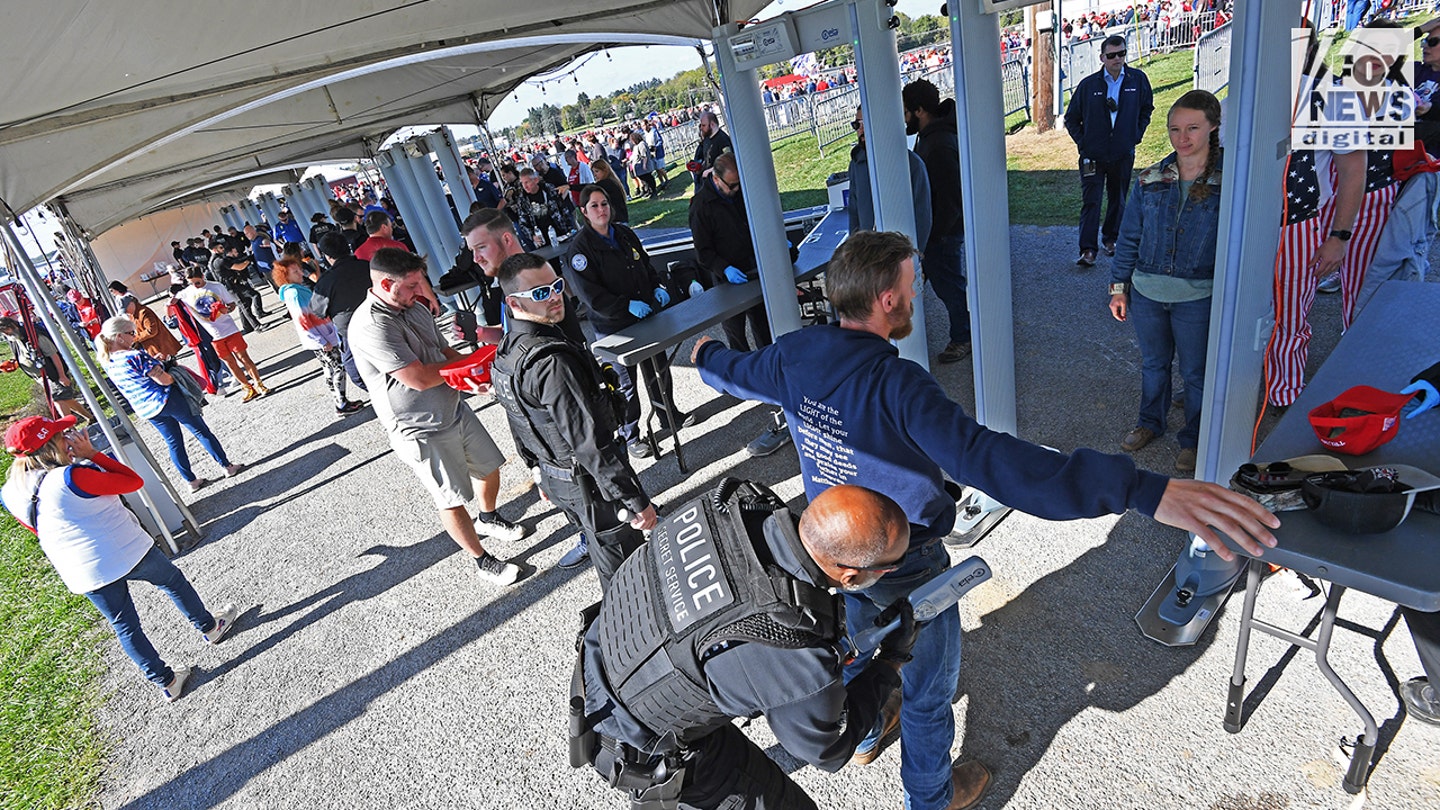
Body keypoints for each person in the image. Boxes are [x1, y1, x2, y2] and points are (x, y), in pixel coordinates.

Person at [691, 230, 1281, 810]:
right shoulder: (898, 385)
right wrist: (1141, 489)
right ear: (887, 300)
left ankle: (867, 733)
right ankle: (930, 797)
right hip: (908, 561)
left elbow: (736, 372)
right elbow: (994, 462)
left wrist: (704, 355)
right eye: (911, 284)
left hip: (831, 554)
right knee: (927, 693)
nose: (917, 295)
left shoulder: (795, 355)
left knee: (851, 648)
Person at [577, 481, 918, 809]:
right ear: (851, 577)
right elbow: (828, 750)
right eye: (890, 567)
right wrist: (891, 661)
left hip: (606, 660)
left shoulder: (735, 503)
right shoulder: (791, 642)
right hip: (641, 744)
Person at [0, 415, 239, 702]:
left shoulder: (9, 491)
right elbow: (132, 482)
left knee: (124, 624)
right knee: (173, 581)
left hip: (81, 570)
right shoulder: (70, 477)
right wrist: (92, 454)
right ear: (50, 445)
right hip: (124, 548)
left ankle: (166, 681)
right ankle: (210, 627)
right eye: (62, 435)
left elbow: (35, 528)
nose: (69, 438)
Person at [346, 248, 527, 587]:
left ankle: (487, 518)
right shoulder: (371, 325)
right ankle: (481, 559)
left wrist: (476, 374)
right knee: (451, 498)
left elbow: (443, 352)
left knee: (489, 466)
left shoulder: (413, 307)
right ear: (386, 283)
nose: (421, 292)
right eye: (413, 285)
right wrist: (468, 367)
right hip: (419, 427)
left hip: (453, 407)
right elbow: (418, 378)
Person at [491, 253, 655, 587]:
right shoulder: (551, 363)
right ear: (513, 303)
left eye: (556, 286)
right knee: (627, 572)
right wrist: (636, 501)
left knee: (605, 554)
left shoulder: (508, 351)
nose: (553, 297)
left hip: (558, 478)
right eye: (539, 293)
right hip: (589, 485)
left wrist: (538, 473)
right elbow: (590, 442)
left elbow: (519, 419)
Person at [1108, 90, 1223, 474]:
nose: (1182, 137)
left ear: (1213, 127)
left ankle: (1194, 438)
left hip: (1199, 295)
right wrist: (1118, 287)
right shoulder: (1150, 179)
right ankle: (1150, 422)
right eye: (1175, 129)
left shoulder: (1229, 183)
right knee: (1154, 364)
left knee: (1195, 373)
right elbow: (1129, 237)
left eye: (1192, 128)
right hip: (1148, 292)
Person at [566, 186, 693, 460]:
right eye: (595, 206)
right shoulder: (580, 250)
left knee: (658, 370)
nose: (602, 210)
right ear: (584, 212)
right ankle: (630, 433)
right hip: (613, 326)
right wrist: (625, 305)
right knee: (625, 385)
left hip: (645, 315)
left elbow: (644, 265)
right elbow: (591, 296)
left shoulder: (624, 234)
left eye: (605, 204)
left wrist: (657, 284)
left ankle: (668, 414)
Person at [95, 315, 244, 492]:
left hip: (147, 409)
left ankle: (191, 481)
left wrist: (156, 364)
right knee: (201, 431)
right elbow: (164, 380)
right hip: (168, 399)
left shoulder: (107, 361)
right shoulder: (135, 355)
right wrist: (174, 371)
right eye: (131, 333)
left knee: (173, 442)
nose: (134, 336)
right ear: (119, 336)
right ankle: (227, 466)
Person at [1064, 34, 1155, 266]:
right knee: (1091, 200)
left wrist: (1135, 135)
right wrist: (1084, 143)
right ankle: (1088, 250)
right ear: (1102, 57)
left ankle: (1111, 239)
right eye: (1112, 55)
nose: (1117, 59)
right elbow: (1071, 118)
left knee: (1118, 198)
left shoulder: (1137, 80)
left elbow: (1147, 109)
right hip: (1093, 155)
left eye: (1122, 54)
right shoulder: (1089, 85)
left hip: (1122, 153)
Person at [902, 79, 974, 364]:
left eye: (906, 111)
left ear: (919, 110)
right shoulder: (931, 137)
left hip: (940, 233)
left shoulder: (939, 144)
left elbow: (950, 196)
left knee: (950, 287)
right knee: (923, 286)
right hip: (934, 231)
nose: (903, 117)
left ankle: (963, 337)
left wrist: (937, 233)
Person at [272, 258, 365, 416]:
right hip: (322, 337)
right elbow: (303, 320)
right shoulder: (294, 293)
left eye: (299, 269)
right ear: (285, 275)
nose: (301, 273)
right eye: (295, 272)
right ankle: (341, 403)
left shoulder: (294, 290)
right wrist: (321, 341)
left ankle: (340, 401)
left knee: (330, 369)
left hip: (321, 336)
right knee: (338, 368)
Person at [176, 267, 269, 401]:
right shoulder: (185, 293)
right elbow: (171, 306)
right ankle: (248, 387)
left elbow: (232, 304)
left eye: (197, 282)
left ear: (203, 276)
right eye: (191, 283)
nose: (195, 286)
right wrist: (170, 303)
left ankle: (259, 384)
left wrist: (227, 309)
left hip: (229, 329)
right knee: (230, 363)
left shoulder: (216, 287)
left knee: (244, 358)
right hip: (212, 334)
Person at [0, 316, 94, 423]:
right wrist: (15, 363)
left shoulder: (34, 335)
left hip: (52, 373)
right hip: (39, 377)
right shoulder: (13, 339)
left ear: (12, 326)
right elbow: (24, 355)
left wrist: (62, 375)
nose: (5, 334)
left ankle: (68, 427)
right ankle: (89, 417)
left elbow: (53, 355)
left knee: (58, 399)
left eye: (5, 330)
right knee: (65, 400)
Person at [313, 231, 373, 391]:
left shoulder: (326, 282)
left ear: (327, 256)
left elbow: (318, 311)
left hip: (353, 334)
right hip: (384, 321)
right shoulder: (368, 266)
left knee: (356, 373)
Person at [691, 110, 733, 187]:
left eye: (704, 125)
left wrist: (709, 171)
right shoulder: (707, 138)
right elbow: (707, 158)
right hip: (707, 180)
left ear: (712, 124)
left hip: (720, 182)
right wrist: (700, 167)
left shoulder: (723, 140)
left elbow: (728, 161)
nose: (701, 128)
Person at [587, 157, 630, 225]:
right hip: (618, 218)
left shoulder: (607, 183)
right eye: (593, 172)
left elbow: (590, 187)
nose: (595, 175)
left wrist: (570, 187)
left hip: (618, 219)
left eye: (597, 171)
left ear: (604, 170)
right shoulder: (611, 181)